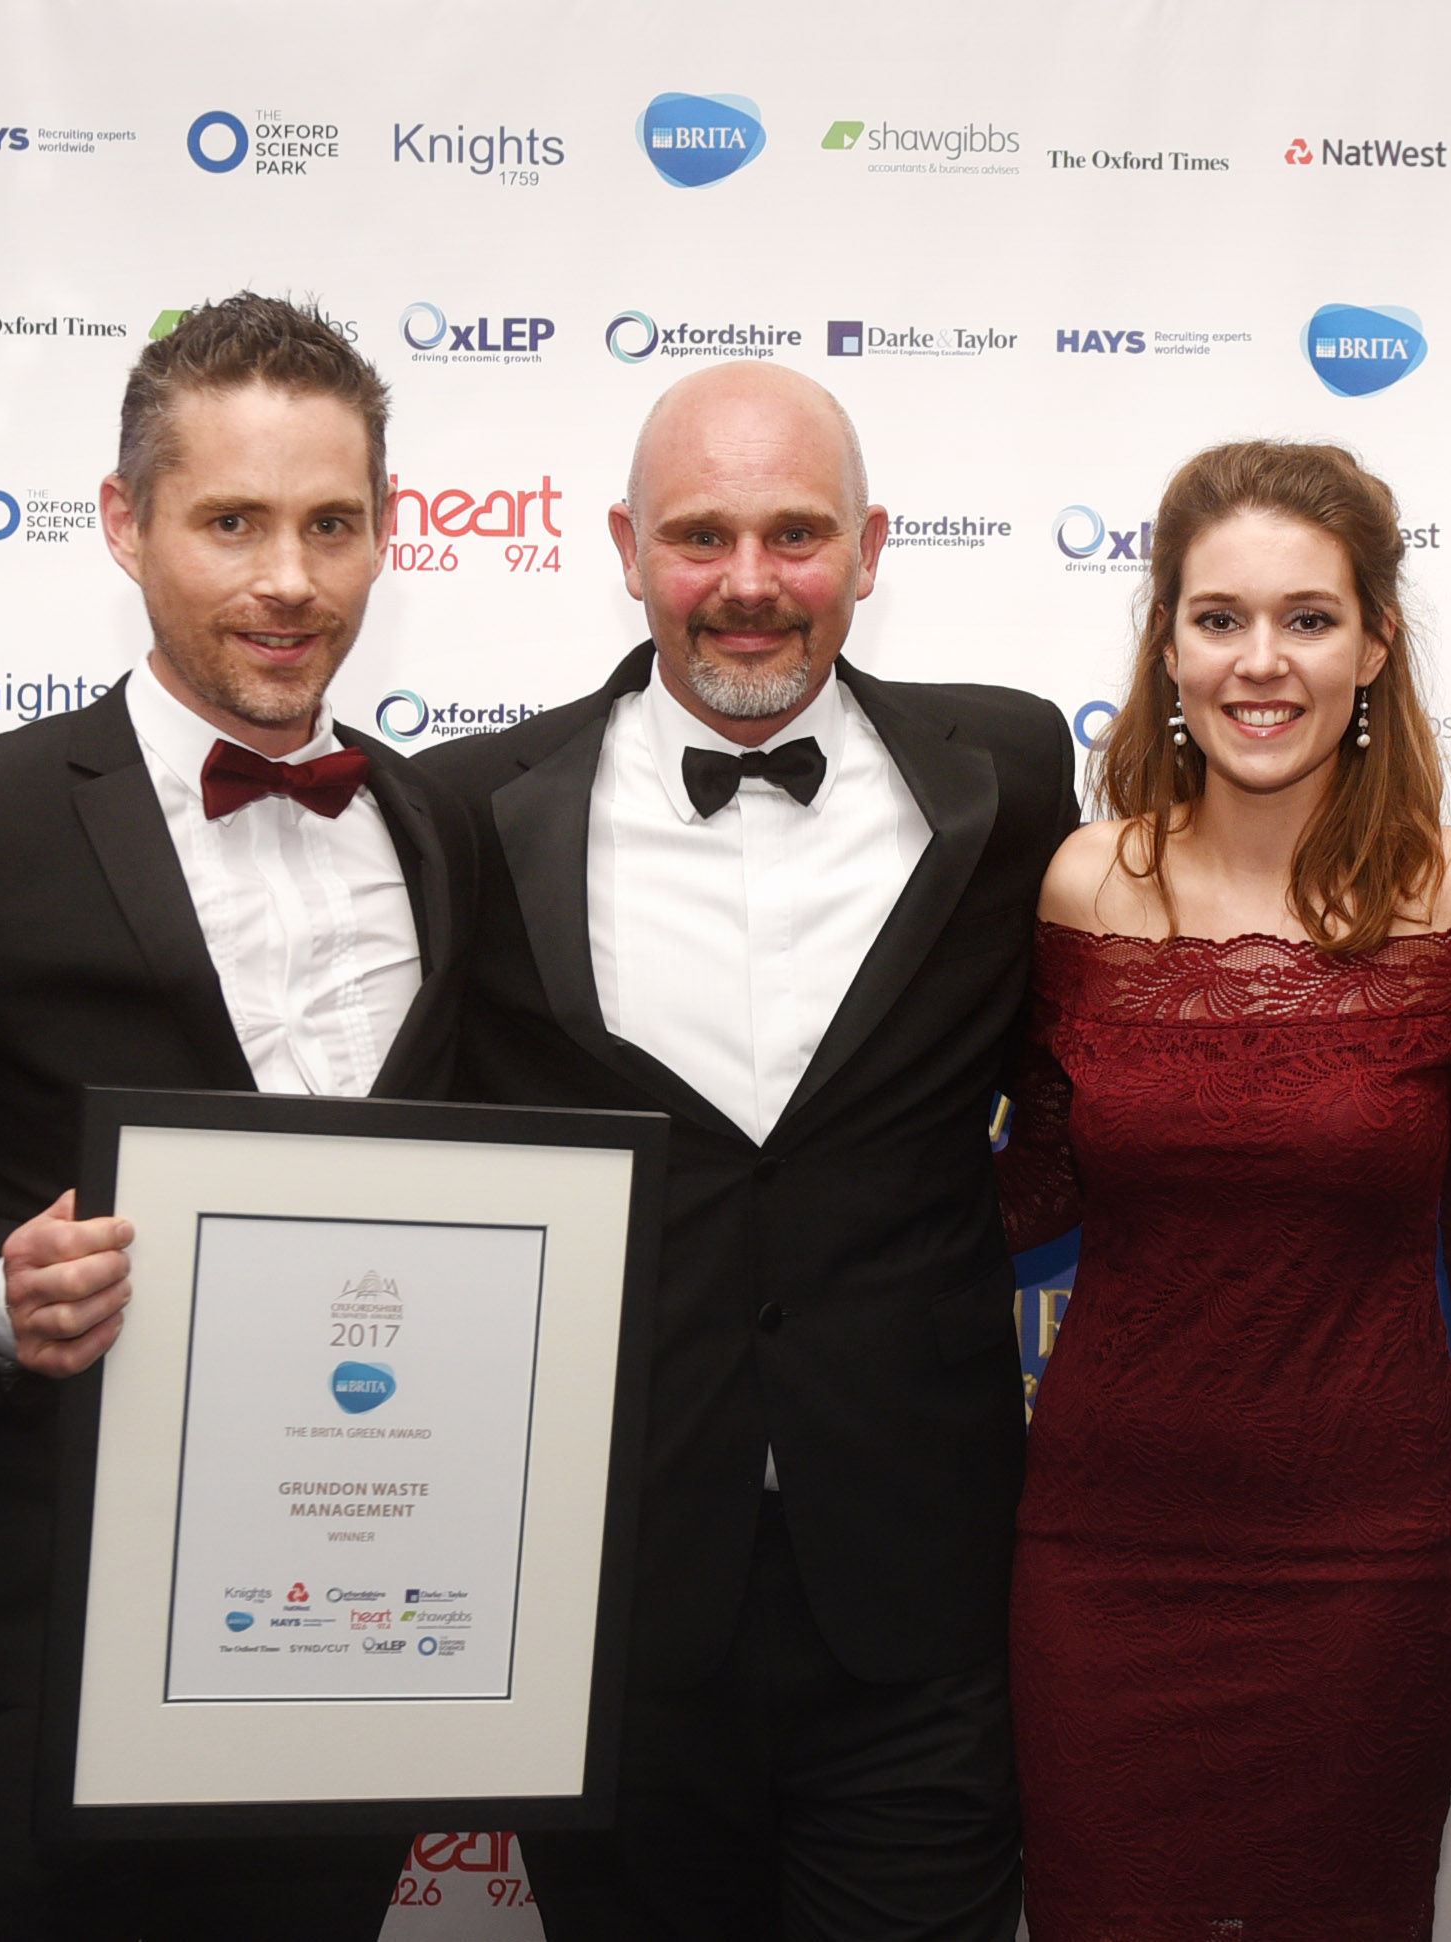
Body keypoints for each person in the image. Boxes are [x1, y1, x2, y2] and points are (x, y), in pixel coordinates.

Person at [0, 294, 459, 1939]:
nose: (288, 577)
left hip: (337, 1663)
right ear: (126, 525)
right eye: (231, 521)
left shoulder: (441, 828)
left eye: (330, 523)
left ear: (386, 535)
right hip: (29, 1675)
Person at [415, 360, 1076, 1939]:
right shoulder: (467, 811)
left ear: (870, 546)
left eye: (797, 534)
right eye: (704, 537)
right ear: (627, 546)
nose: (752, 586)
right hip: (610, 1602)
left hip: (920, 1594)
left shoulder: (1009, 778)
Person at [991, 440, 1451, 1934]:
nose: (1261, 661)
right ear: (1164, 645)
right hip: (1104, 1555)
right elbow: (1025, 1195)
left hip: (1368, 1565)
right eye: (1219, 616)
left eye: (1308, 617)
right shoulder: (1079, 887)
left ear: (1376, 645)